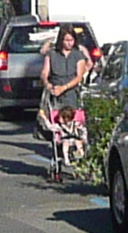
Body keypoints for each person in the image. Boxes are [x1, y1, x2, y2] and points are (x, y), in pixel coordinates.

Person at [40, 25, 93, 166]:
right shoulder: (52, 54)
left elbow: (79, 77)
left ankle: (77, 150)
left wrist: (64, 88)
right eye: (66, 40)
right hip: (56, 91)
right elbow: (45, 73)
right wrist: (48, 84)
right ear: (61, 40)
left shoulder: (78, 55)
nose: (70, 43)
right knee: (57, 123)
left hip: (71, 92)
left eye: (72, 40)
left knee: (74, 123)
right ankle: (60, 149)